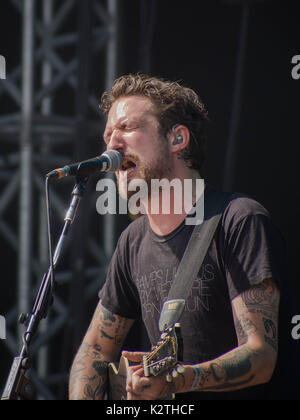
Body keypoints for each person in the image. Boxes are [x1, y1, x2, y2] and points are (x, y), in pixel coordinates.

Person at [68, 74, 286, 400]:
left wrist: (181, 380)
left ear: (177, 139)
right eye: (108, 134)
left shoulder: (239, 220)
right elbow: (94, 352)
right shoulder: (132, 243)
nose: (112, 144)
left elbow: (261, 355)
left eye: (127, 128)